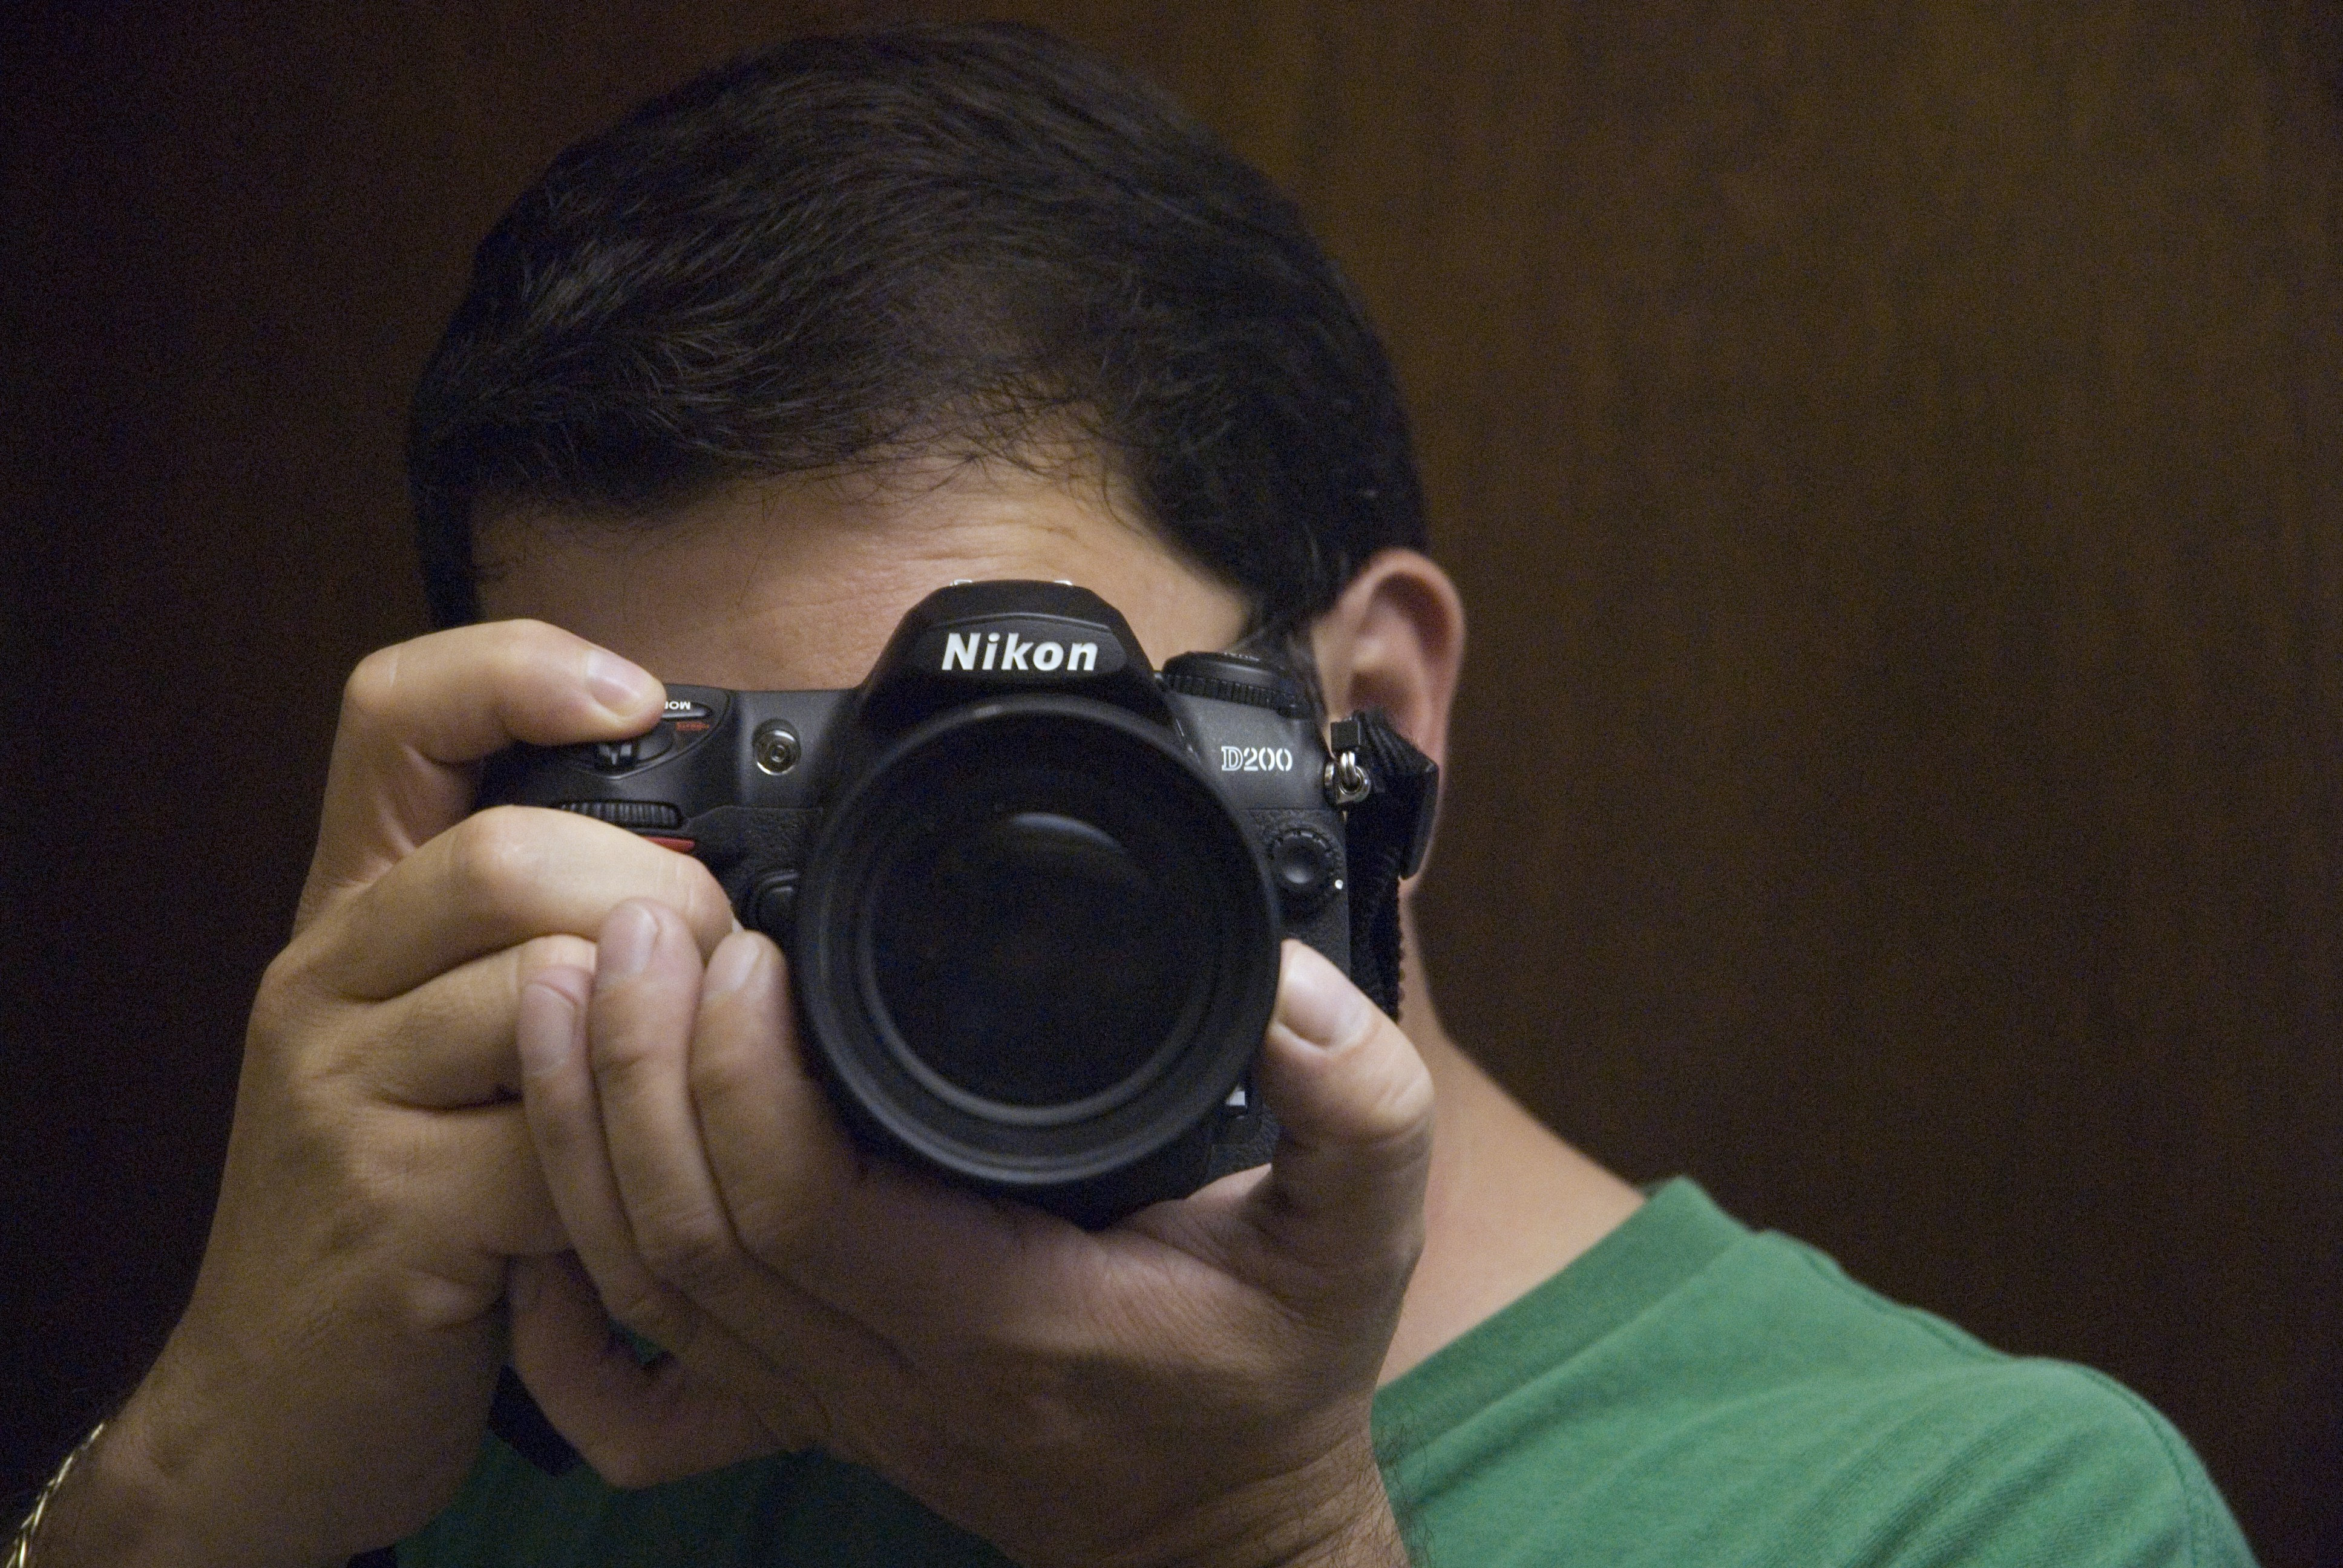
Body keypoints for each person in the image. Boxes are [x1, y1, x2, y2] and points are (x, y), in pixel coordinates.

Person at [19, 22, 2255, 1568]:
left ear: (1372, 717)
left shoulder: (1985, 1518)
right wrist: (195, 1480)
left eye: (1004, 790)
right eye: (747, 812)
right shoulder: (531, 1375)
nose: (902, 932)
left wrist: (1243, 1535)